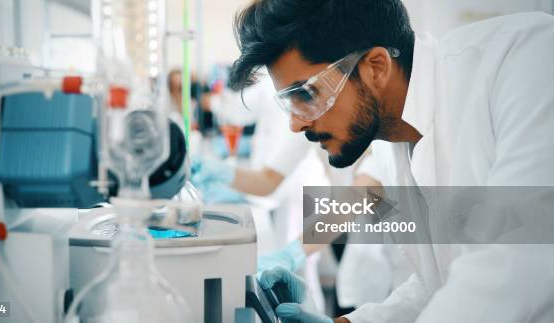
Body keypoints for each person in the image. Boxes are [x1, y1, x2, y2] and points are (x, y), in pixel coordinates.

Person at [227, 1, 554, 323]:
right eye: (289, 102)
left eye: (306, 93)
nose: (295, 125)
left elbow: (518, 259)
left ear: (376, 67)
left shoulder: (524, 57)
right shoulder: (390, 144)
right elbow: (438, 282)